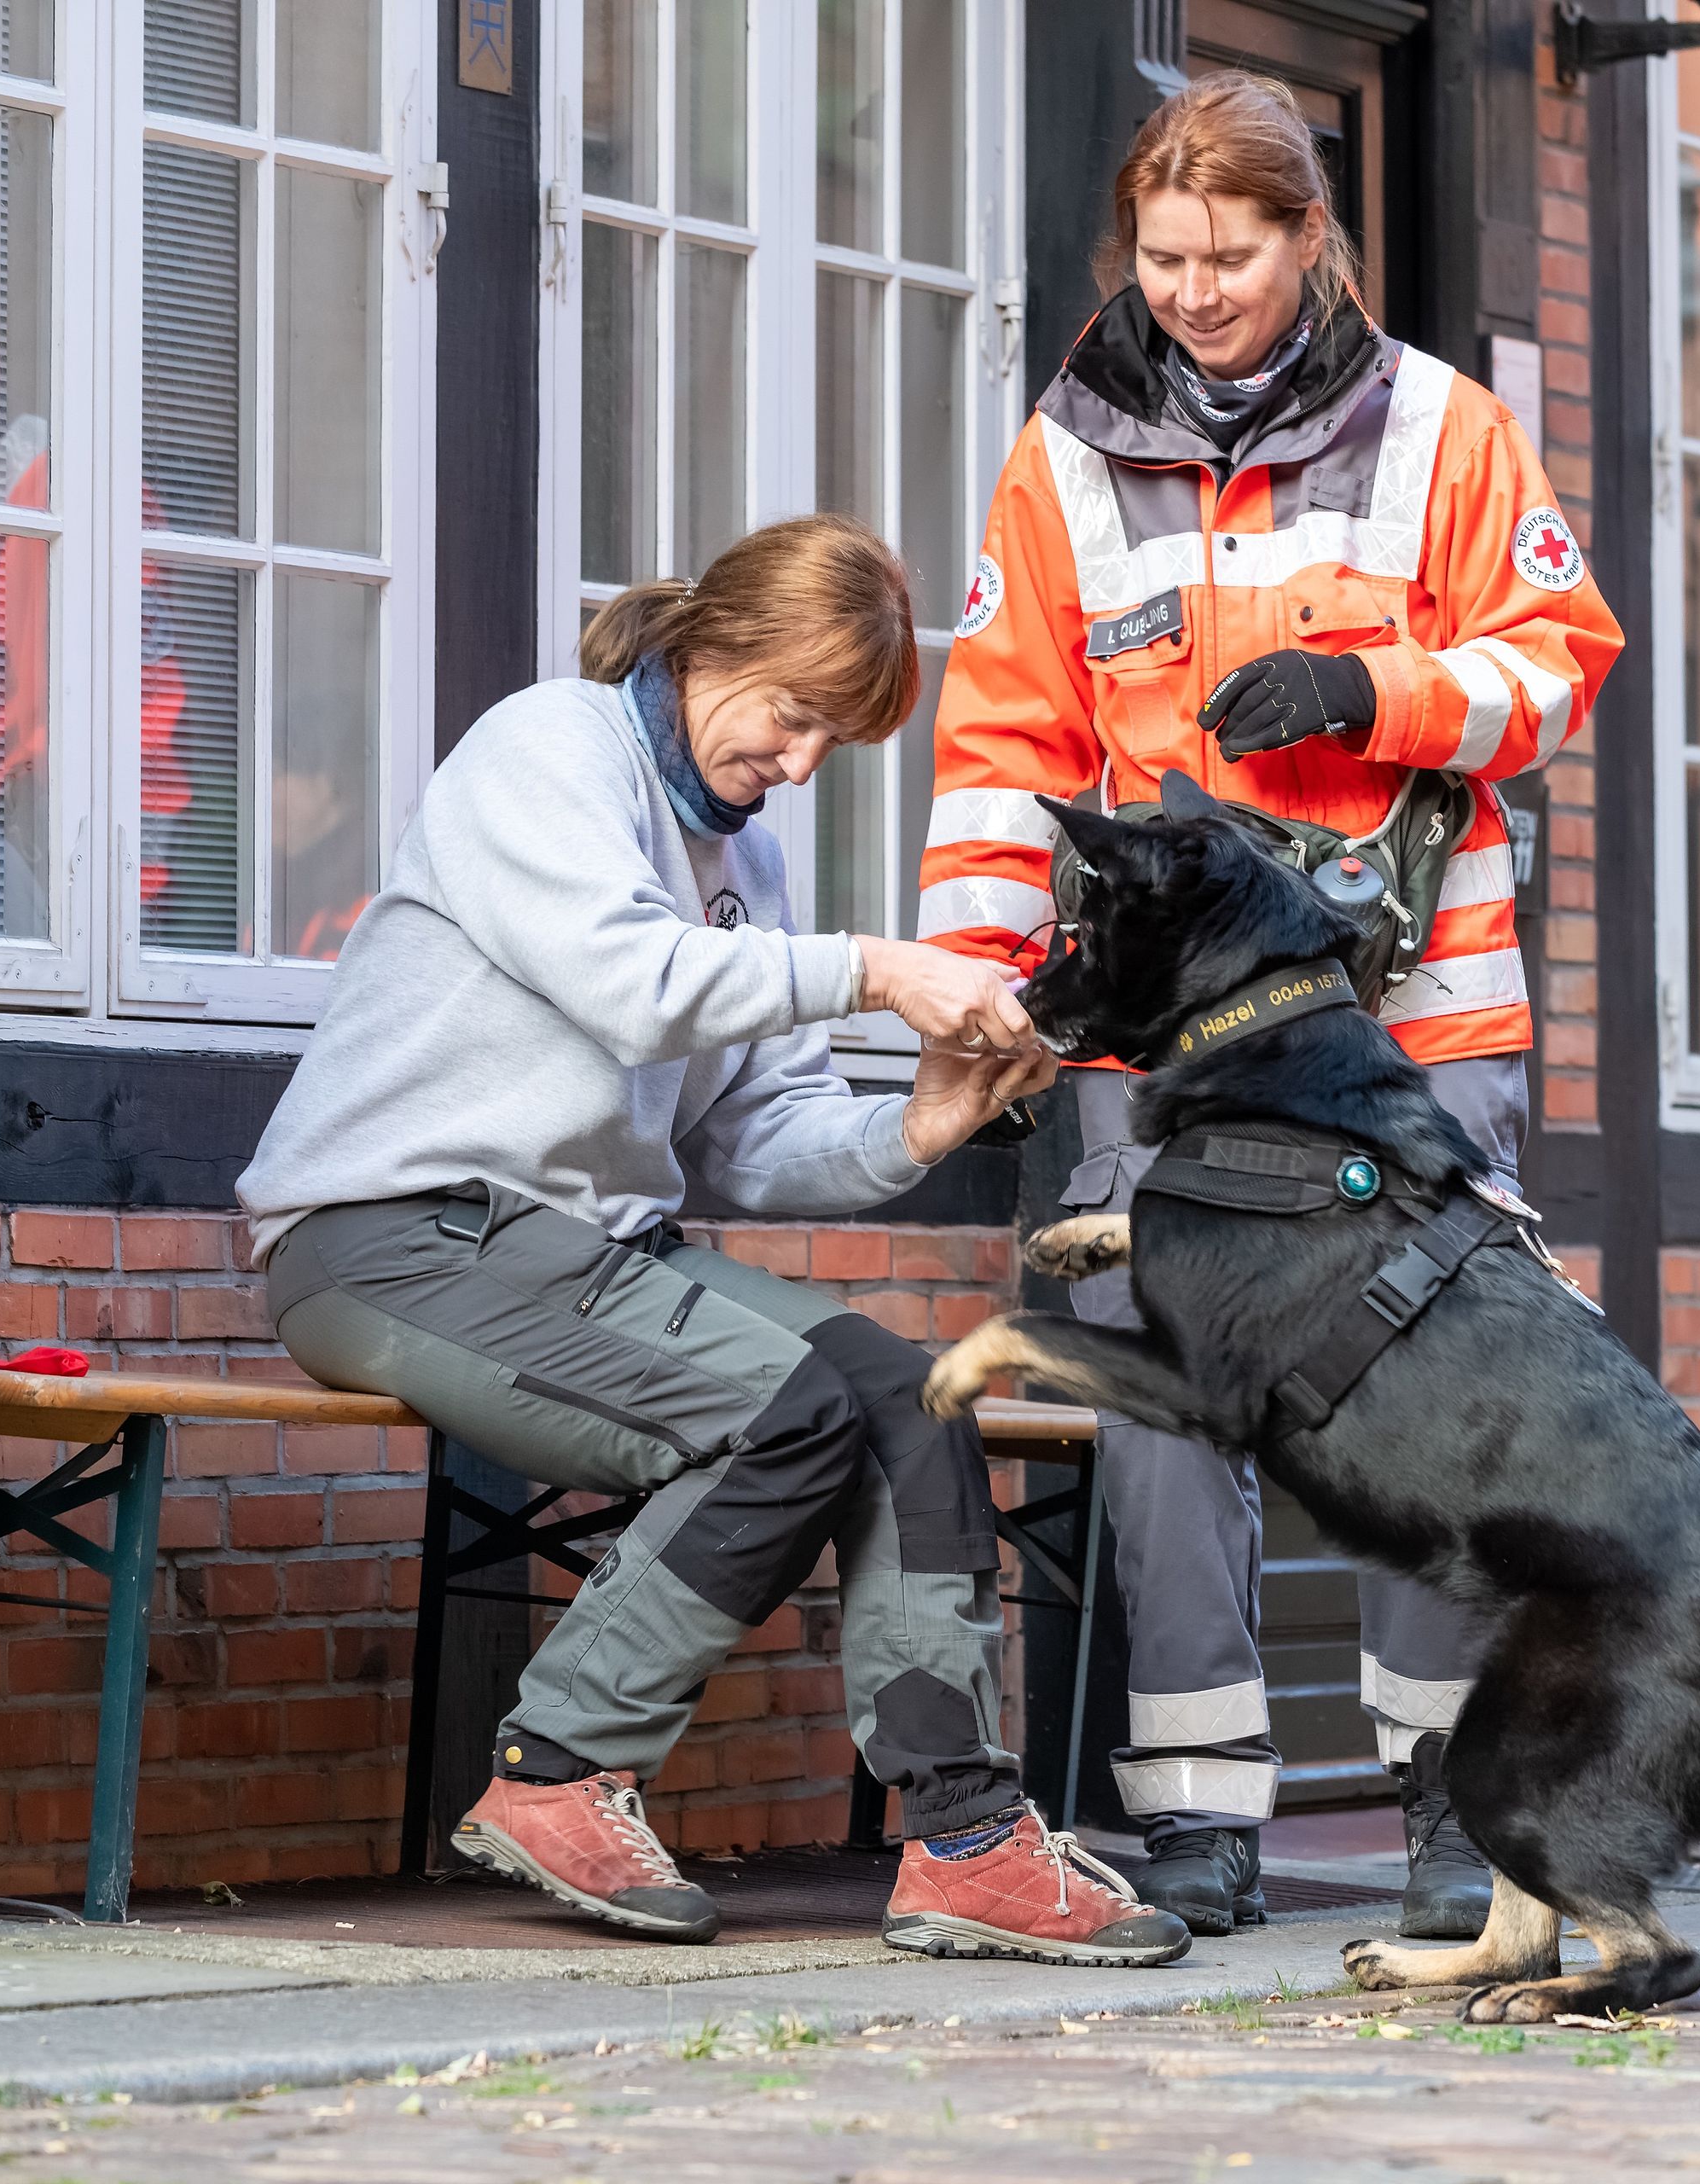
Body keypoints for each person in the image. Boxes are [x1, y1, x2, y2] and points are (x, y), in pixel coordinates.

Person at [239, 515, 1187, 1968]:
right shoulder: (548, 750)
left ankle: (965, 1838)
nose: (800, 765)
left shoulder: (736, 859)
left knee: (905, 1395)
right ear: (708, 651)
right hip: (391, 1236)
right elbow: (632, 987)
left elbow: (752, 1137)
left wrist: (918, 1129)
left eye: (833, 743)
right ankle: (559, 1770)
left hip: (584, 1249)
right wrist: (877, 969)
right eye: (794, 717)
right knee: (786, 1411)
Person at [915, 73, 1624, 1940]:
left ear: (1313, 240)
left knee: (1420, 1404)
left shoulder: (1446, 433)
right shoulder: (1064, 456)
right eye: (1163, 259)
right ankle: (1200, 1808)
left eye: (1231, 254)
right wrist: (988, 1007)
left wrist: (1368, 691)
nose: (1196, 291)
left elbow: (1558, 668)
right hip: (1160, 1044)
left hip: (1409, 1028)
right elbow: (1004, 754)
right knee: (1161, 1402)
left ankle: (1450, 1808)